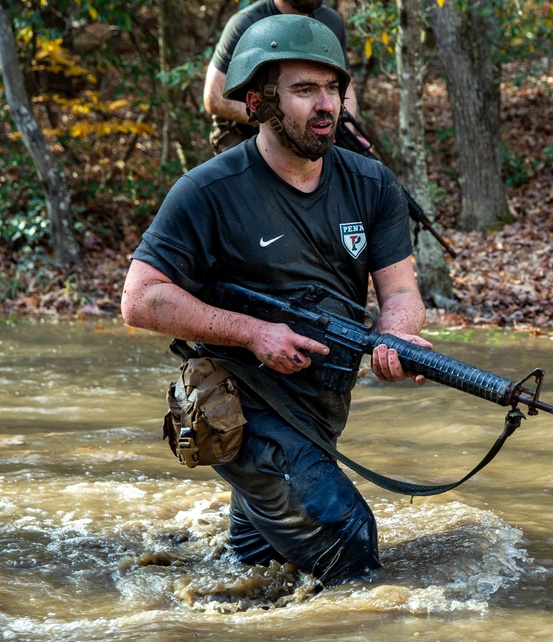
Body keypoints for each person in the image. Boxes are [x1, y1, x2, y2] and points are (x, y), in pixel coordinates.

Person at [122, 14, 431, 586]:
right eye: (304, 89)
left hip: (322, 407)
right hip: (245, 405)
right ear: (260, 101)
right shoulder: (207, 192)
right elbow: (140, 299)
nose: (326, 104)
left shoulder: (374, 184)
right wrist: (253, 333)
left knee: (260, 571)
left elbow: (401, 290)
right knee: (348, 537)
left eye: (333, 88)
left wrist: (397, 334)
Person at [203, 0, 361, 154]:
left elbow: (345, 84)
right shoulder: (246, 23)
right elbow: (214, 98)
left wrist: (342, 131)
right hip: (244, 132)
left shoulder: (330, 21)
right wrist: (274, 116)